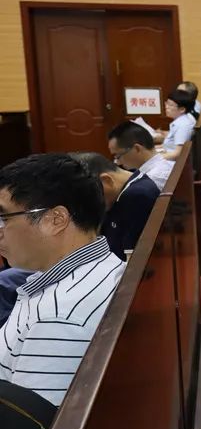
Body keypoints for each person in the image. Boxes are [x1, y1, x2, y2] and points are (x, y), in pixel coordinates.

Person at [0, 154, 126, 405]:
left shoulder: (57, 318)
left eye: (4, 219)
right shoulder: (96, 267)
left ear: (56, 219)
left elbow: (29, 425)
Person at [70, 152, 160, 260]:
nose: (91, 203)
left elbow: (133, 263)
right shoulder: (127, 183)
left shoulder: (136, 196)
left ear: (106, 180)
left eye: (88, 197)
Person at [107, 120, 173, 189]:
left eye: (118, 156)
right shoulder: (159, 167)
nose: (118, 162)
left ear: (137, 149)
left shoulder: (152, 180)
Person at [160, 89, 197, 160]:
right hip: (168, 156)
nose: (166, 107)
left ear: (182, 109)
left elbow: (178, 154)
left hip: (172, 163)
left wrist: (153, 158)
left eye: (170, 105)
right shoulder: (180, 121)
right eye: (166, 103)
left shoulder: (183, 125)